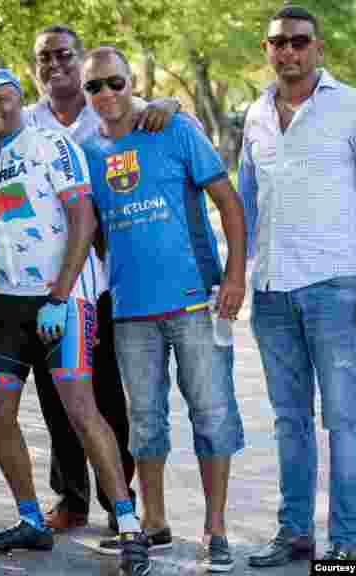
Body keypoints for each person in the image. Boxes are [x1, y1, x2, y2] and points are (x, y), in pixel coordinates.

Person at [0, 68, 150, 575]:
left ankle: (128, 525)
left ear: (19, 100)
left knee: (81, 409)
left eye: (1, 100)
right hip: (8, 303)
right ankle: (30, 519)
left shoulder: (52, 145)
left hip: (65, 297)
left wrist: (60, 294)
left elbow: (83, 220)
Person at [80, 46, 247, 572]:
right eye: (95, 87)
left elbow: (229, 202)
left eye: (114, 82)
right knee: (145, 423)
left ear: (132, 83)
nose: (106, 94)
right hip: (131, 312)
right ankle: (154, 523)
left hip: (195, 302)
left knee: (212, 415)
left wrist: (235, 276)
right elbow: (95, 232)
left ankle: (215, 529)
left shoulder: (174, 130)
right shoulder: (87, 152)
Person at [240, 5, 356, 565]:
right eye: (278, 43)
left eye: (299, 41)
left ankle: (347, 544)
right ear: (268, 49)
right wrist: (240, 273)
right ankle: (294, 532)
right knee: (289, 419)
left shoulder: (354, 109)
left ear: (318, 48)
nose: (289, 52)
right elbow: (249, 202)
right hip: (273, 290)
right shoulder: (255, 114)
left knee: (344, 417)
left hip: (335, 287)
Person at [24, 24, 181, 534]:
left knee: (109, 397)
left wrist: (173, 103)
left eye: (64, 55)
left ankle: (122, 503)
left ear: (83, 60)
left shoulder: (110, 109)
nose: (55, 65)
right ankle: (70, 498)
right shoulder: (24, 120)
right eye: (44, 57)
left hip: (107, 281)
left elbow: (167, 116)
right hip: (50, 284)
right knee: (57, 395)